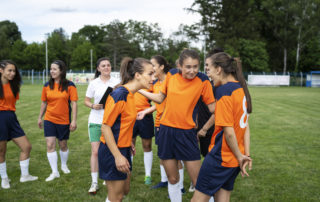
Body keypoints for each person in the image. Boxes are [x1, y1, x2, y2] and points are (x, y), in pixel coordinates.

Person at [138, 49, 215, 202]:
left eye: (195, 66)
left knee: (198, 182)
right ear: (180, 65)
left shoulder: (203, 81)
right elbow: (160, 98)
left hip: (187, 134)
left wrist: (205, 128)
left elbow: (214, 110)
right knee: (173, 179)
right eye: (188, 66)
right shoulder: (172, 75)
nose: (192, 71)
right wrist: (139, 89)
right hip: (166, 132)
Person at [191, 52, 252, 202]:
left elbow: (229, 132)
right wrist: (245, 155)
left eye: (209, 70)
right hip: (235, 158)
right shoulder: (240, 88)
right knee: (222, 198)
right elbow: (246, 127)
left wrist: (239, 156)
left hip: (221, 157)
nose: (208, 75)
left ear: (218, 69)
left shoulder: (224, 91)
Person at [98, 57, 154, 202]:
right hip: (112, 151)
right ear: (137, 75)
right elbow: (105, 127)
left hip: (123, 147)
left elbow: (122, 123)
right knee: (116, 197)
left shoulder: (130, 94)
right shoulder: (119, 94)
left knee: (124, 191)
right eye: (150, 74)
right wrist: (117, 156)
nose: (153, 78)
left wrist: (129, 142)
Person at [189, 48, 224, 195]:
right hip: (199, 126)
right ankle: (195, 181)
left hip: (212, 129)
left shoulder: (220, 86)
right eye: (206, 64)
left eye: (209, 64)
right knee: (197, 156)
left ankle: (209, 187)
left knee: (211, 160)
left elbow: (219, 112)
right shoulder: (203, 80)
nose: (206, 67)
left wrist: (204, 129)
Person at [38, 60, 78, 182]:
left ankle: (64, 165)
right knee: (50, 144)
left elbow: (74, 103)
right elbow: (44, 102)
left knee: (63, 145)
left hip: (64, 120)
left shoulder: (70, 85)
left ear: (61, 71)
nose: (52, 71)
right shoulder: (46, 85)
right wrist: (40, 117)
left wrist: (74, 120)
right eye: (51, 69)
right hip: (49, 119)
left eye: (55, 69)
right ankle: (54, 172)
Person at [0, 60, 38, 189]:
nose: (12, 73)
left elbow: (12, 105)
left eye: (14, 71)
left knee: (26, 147)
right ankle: (4, 178)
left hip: (11, 117)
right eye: (9, 70)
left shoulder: (14, 86)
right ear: (1, 70)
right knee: (1, 151)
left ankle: (25, 176)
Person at [84, 57, 120, 194]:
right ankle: (94, 182)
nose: (106, 67)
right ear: (98, 68)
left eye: (108, 65)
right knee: (95, 151)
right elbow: (86, 101)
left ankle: (107, 177)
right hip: (95, 120)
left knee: (110, 150)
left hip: (111, 122)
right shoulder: (93, 83)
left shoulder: (117, 82)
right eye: (103, 65)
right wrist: (93, 105)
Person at [132, 87, 155, 185]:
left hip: (145, 116)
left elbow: (159, 100)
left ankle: (148, 175)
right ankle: (127, 172)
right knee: (129, 145)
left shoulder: (149, 82)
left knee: (147, 146)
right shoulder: (128, 80)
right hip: (130, 116)